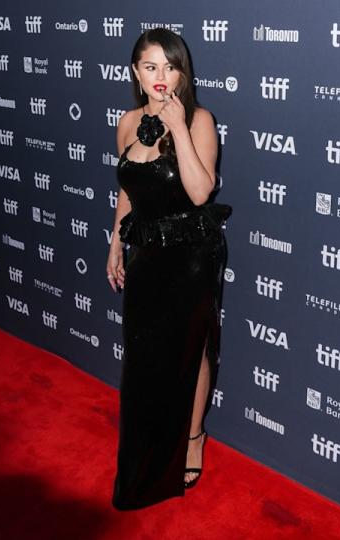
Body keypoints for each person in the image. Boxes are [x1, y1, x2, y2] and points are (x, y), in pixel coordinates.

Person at [107, 28, 231, 511]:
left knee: (190, 350)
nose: (161, 77)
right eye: (150, 67)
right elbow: (128, 191)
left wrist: (178, 127)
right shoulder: (127, 121)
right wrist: (116, 242)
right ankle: (145, 455)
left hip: (191, 256)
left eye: (170, 66)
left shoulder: (200, 118)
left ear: (183, 71)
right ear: (136, 72)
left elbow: (201, 191)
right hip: (145, 253)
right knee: (142, 359)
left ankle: (194, 437)